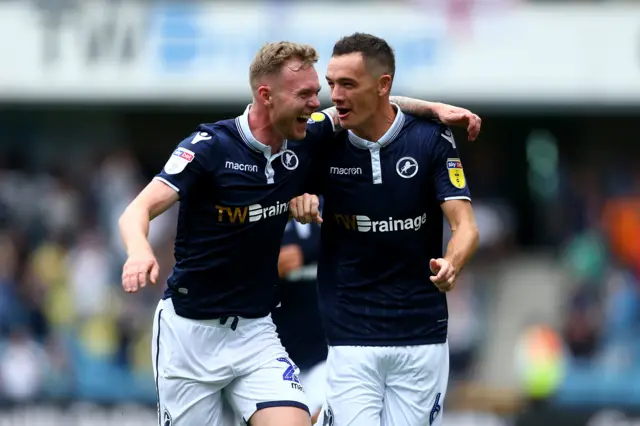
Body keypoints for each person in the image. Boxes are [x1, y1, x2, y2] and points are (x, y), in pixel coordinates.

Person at [118, 40, 481, 426]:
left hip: (255, 332)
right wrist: (139, 250)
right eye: (306, 94)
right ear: (266, 96)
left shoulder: (307, 139)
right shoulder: (210, 148)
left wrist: (432, 109)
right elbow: (137, 210)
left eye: (317, 92)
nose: (318, 103)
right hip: (190, 333)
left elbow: (374, 102)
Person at [289, 33, 480, 426]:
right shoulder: (323, 136)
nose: (335, 95)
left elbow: (466, 227)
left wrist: (452, 262)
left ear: (383, 86)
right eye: (332, 84)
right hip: (349, 336)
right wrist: (298, 196)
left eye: (348, 84)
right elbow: (279, 156)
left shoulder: (431, 139)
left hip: (422, 336)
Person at [272, 203, 327, 422]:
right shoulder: (261, 203)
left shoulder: (328, 204)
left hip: (325, 350)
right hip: (272, 353)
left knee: (325, 416)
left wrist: (305, 252)